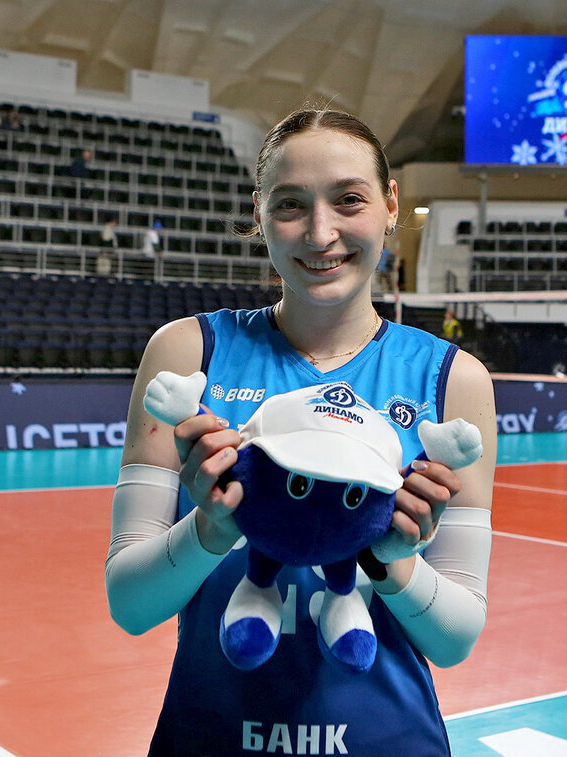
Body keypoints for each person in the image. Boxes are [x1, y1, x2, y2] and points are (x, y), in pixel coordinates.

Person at [105, 106, 497, 755]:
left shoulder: (453, 379)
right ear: (258, 214)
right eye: (290, 204)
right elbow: (131, 604)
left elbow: (454, 639)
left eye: (348, 200)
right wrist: (211, 528)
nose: (321, 233)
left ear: (390, 205)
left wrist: (391, 560)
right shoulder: (188, 353)